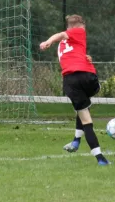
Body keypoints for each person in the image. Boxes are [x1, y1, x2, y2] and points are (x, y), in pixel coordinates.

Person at [39, 14, 110, 166]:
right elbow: (62, 34)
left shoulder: (61, 47)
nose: (85, 32)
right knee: (91, 101)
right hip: (86, 77)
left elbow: (73, 54)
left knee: (84, 112)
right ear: (79, 26)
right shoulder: (78, 31)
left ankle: (80, 143)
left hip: (70, 82)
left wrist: (86, 56)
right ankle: (93, 153)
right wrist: (48, 41)